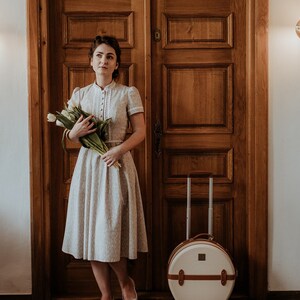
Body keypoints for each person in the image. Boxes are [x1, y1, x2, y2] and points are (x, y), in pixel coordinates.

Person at [62, 35, 148, 300]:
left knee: (109, 232)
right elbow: (67, 141)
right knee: (91, 233)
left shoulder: (127, 93)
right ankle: (105, 295)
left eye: (109, 56)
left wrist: (119, 149)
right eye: (99, 55)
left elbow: (141, 132)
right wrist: (73, 133)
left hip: (117, 166)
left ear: (116, 63)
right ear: (91, 62)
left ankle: (125, 283)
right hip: (88, 168)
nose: (104, 60)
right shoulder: (79, 95)